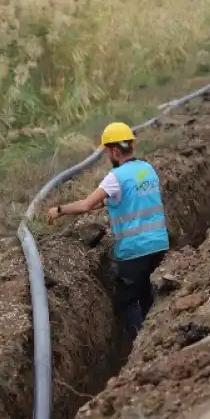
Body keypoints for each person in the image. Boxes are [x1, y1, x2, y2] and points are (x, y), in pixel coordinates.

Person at [47, 121, 169, 339]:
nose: (107, 157)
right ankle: (156, 336)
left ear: (114, 151)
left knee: (127, 301)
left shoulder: (116, 177)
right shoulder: (147, 169)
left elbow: (86, 205)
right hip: (159, 243)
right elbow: (131, 198)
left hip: (135, 249)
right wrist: (105, 202)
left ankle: (141, 343)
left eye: (106, 153)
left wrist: (60, 209)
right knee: (145, 294)